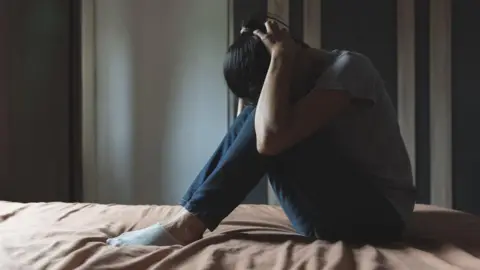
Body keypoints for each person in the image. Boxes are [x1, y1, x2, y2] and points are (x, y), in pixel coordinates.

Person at [106, 18, 416, 247]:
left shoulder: (350, 68)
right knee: (262, 118)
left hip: (380, 216)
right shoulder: (298, 86)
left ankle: (188, 224)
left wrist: (281, 55)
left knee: (270, 126)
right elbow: (248, 131)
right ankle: (187, 216)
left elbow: (268, 138)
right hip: (324, 216)